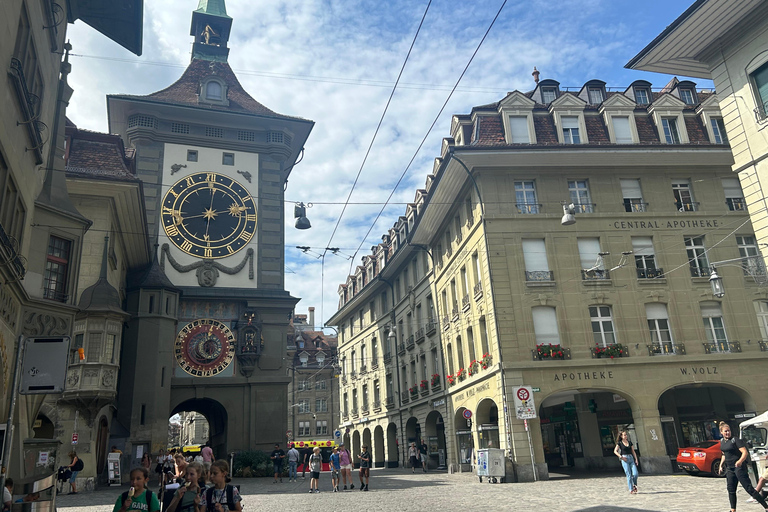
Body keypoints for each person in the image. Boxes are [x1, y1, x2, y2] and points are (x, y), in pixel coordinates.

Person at [717, 421, 768, 512]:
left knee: (749, 488)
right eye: (725, 431)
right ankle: (733, 509)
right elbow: (724, 454)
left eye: (728, 431)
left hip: (739, 467)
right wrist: (721, 466)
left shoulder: (735, 440)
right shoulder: (722, 442)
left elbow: (744, 452)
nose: (728, 433)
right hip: (729, 468)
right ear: (721, 432)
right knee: (731, 489)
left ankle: (766, 507)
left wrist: (740, 461)